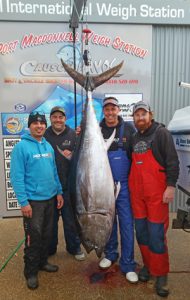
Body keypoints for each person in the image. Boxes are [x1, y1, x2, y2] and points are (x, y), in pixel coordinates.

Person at [129, 101, 179, 297]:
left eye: (143, 114)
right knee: (141, 233)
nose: (140, 118)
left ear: (151, 114)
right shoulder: (133, 137)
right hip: (138, 195)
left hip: (157, 194)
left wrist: (171, 186)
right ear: (133, 118)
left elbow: (172, 161)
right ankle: (149, 266)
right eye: (137, 115)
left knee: (157, 236)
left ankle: (161, 275)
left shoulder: (161, 133)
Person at [10, 112, 64, 290]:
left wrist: (59, 192)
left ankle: (42, 263)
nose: (39, 126)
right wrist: (24, 203)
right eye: (36, 123)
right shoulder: (21, 147)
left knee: (47, 236)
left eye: (42, 123)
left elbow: (54, 172)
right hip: (33, 203)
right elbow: (16, 177)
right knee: (33, 239)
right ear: (30, 126)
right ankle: (31, 272)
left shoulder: (47, 145)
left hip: (50, 199)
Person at [98, 96, 138, 283]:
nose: (110, 112)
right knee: (108, 221)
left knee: (127, 225)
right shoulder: (96, 129)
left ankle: (128, 263)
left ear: (118, 110)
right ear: (103, 111)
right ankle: (110, 253)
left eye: (113, 109)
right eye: (107, 109)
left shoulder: (129, 129)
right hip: (103, 186)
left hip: (124, 186)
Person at [44, 106, 85, 261]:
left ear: (65, 119)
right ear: (51, 119)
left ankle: (74, 247)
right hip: (50, 187)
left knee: (71, 221)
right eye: (55, 117)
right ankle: (50, 248)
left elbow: (82, 157)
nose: (58, 120)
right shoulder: (45, 134)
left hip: (69, 187)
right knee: (50, 222)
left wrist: (73, 154)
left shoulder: (74, 135)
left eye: (61, 117)